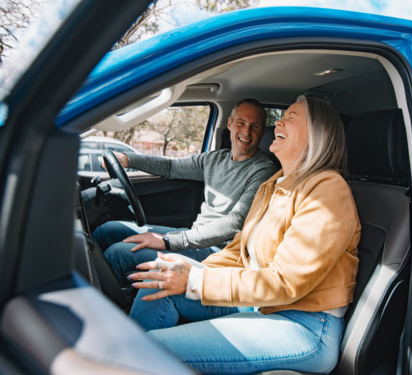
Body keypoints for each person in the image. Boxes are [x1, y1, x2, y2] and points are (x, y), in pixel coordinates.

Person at [128, 95, 361, 375]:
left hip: (304, 325)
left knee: (151, 346)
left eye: (291, 116)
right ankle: (120, 358)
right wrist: (184, 269)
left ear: (316, 134)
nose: (279, 121)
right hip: (260, 304)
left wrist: (195, 279)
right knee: (158, 279)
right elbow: (239, 252)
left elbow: (286, 282)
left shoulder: (328, 191)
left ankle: (124, 362)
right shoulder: (275, 185)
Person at [93, 98, 277, 286]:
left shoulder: (263, 171)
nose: (246, 132)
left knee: (118, 254)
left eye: (255, 126)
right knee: (106, 231)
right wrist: (127, 159)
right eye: (241, 123)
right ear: (229, 124)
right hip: (194, 236)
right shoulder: (215, 159)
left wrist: (169, 241)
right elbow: (171, 166)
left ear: (262, 132)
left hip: (219, 252)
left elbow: (234, 223)